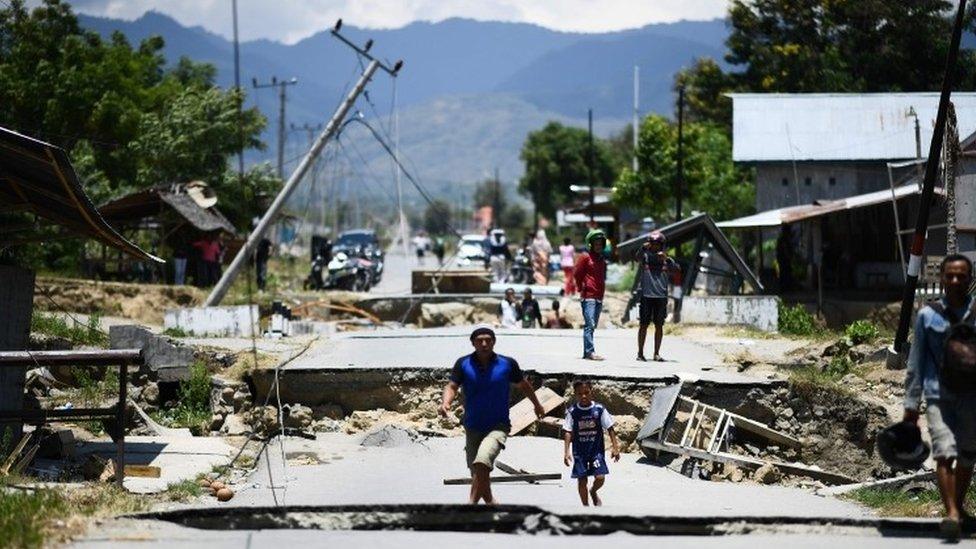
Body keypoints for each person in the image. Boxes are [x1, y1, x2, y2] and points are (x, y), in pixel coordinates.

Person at [904, 254, 976, 540]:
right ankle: (952, 514)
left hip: (972, 396)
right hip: (938, 395)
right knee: (944, 452)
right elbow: (916, 362)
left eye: (961, 276)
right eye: (950, 276)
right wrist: (911, 406)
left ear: (969, 280)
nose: (955, 280)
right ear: (942, 279)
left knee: (969, 455)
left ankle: (956, 507)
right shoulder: (927, 315)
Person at [439, 326, 545, 505]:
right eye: (479, 340)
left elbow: (524, 384)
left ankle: (470, 506)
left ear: (494, 342)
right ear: (473, 343)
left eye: (488, 340)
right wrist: (446, 403)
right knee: (479, 473)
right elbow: (451, 386)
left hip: (498, 426)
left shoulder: (507, 364)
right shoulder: (463, 364)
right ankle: (491, 504)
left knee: (481, 462)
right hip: (472, 426)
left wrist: (537, 404)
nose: (484, 343)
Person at [563, 380, 620, 506]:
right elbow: (567, 431)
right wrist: (566, 452)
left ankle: (593, 491)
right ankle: (585, 507)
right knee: (582, 481)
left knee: (600, 477)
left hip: (596, 451)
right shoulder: (572, 412)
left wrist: (615, 448)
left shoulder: (599, 409)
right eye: (579, 394)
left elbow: (610, 428)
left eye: (586, 393)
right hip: (579, 453)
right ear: (575, 394)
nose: (583, 396)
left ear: (591, 392)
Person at [635, 231, 679, 362]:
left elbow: (676, 270)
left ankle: (656, 353)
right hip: (646, 295)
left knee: (659, 325)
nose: (654, 247)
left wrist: (666, 259)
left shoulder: (666, 260)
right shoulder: (645, 257)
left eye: (657, 245)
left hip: (661, 297)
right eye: (652, 244)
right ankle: (640, 353)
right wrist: (642, 248)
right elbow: (637, 257)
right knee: (643, 325)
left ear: (662, 245)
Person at [574, 229, 608, 360]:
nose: (599, 246)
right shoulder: (585, 257)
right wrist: (581, 286)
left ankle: (586, 353)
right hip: (588, 296)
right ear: (591, 244)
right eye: (596, 244)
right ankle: (590, 352)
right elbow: (577, 274)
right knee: (590, 324)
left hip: (599, 296)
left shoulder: (601, 260)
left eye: (600, 244)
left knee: (592, 326)